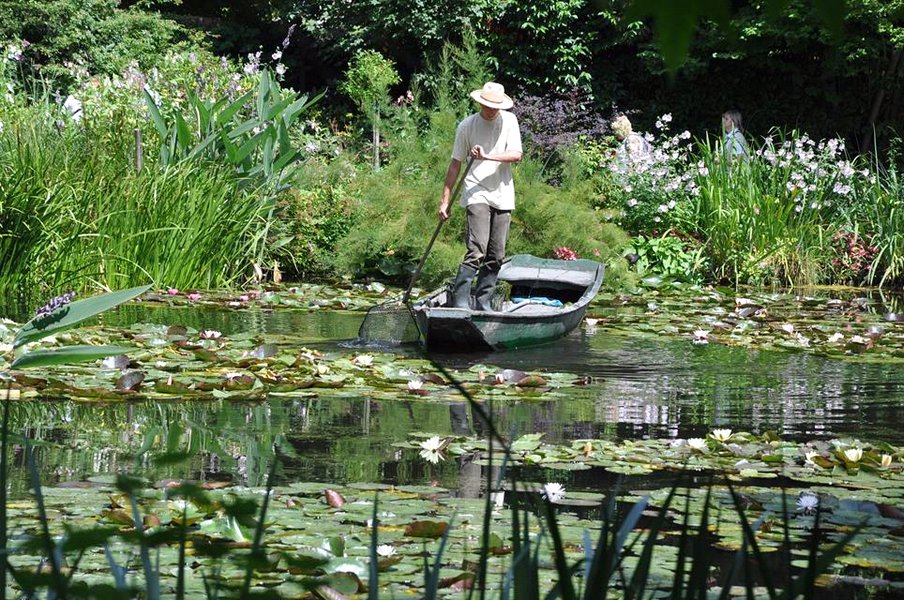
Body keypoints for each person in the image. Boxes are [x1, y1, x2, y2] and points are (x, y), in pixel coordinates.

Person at [438, 81, 523, 311]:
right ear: (479, 103)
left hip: (503, 193)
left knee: (497, 254)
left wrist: (488, 156)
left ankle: (484, 302)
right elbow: (455, 164)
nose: (492, 110)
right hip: (476, 190)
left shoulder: (510, 121)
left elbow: (516, 155)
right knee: (477, 248)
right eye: (487, 105)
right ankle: (461, 301)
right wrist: (445, 200)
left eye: (496, 106)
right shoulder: (467, 126)